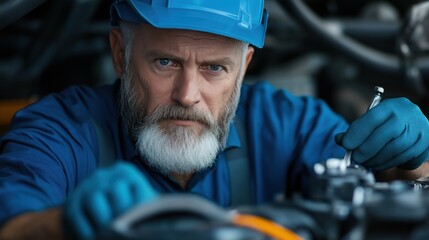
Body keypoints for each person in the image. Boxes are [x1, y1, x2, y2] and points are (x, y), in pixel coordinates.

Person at [1, 0, 429, 239]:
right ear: (119, 53)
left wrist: (414, 160)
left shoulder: (284, 125)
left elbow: (391, 186)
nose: (187, 96)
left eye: (214, 69)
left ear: (244, 66)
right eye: (165, 62)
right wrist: (58, 226)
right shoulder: (58, 131)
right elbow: (12, 227)